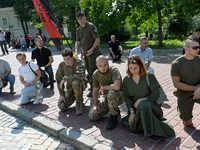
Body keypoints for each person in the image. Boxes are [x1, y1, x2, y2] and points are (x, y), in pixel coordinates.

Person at [121, 54, 174, 137]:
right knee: (130, 121)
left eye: (135, 68)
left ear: (141, 66)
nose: (133, 70)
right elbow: (127, 98)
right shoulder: (126, 80)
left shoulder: (149, 76)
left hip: (152, 107)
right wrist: (131, 112)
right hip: (135, 109)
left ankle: (149, 130)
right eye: (130, 68)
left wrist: (140, 100)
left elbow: (155, 94)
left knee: (143, 104)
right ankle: (145, 125)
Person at [89, 55, 124, 130]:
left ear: (108, 63)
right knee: (93, 116)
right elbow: (95, 91)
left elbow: (117, 86)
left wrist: (104, 87)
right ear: (96, 65)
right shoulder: (95, 74)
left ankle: (113, 117)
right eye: (100, 66)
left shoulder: (113, 70)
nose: (103, 68)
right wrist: (95, 105)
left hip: (119, 96)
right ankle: (113, 108)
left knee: (111, 92)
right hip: (107, 97)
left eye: (105, 65)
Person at [171, 37, 200, 127]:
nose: (198, 50)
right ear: (186, 48)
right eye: (195, 48)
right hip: (184, 94)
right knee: (187, 123)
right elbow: (177, 84)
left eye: (199, 47)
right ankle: (186, 116)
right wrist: (196, 88)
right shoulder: (176, 64)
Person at [75, 12, 101, 97]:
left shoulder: (91, 27)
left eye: (81, 18)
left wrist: (91, 50)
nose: (80, 20)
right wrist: (76, 52)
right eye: (78, 19)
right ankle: (94, 85)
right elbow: (78, 42)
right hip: (86, 53)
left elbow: (97, 40)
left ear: (85, 18)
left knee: (92, 70)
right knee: (88, 70)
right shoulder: (79, 30)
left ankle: (94, 89)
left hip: (93, 52)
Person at [56, 48, 87, 115]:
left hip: (80, 85)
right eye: (64, 59)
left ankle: (78, 103)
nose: (66, 61)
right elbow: (58, 80)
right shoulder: (62, 65)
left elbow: (80, 76)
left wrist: (66, 78)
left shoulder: (80, 63)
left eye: (68, 59)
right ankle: (75, 96)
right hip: (70, 87)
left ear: (72, 57)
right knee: (62, 107)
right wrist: (61, 94)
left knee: (75, 82)